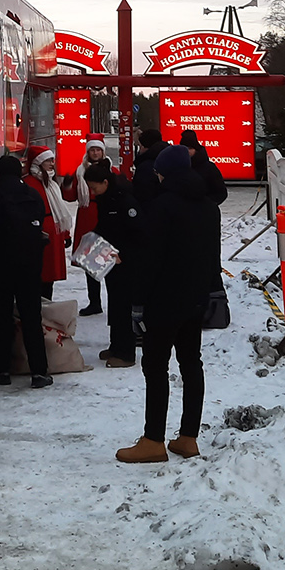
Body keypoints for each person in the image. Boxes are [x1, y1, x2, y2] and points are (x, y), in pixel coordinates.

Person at [116, 144, 220, 463]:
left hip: (163, 301)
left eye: (158, 172)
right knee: (191, 364)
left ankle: (153, 440)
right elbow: (212, 257)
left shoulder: (162, 207)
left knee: (155, 366)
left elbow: (150, 259)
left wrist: (137, 302)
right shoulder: (209, 207)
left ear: (165, 173)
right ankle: (188, 437)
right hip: (195, 299)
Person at [0, 154, 54, 388]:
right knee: (31, 317)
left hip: (0, 266)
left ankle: (2, 369)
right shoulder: (31, 194)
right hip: (30, 265)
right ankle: (39, 371)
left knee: (1, 317)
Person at [84, 158, 141, 367]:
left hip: (124, 260)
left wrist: (123, 254)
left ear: (105, 182)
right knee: (115, 304)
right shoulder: (105, 199)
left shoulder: (124, 200)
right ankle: (116, 345)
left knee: (123, 306)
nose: (92, 192)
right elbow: (105, 225)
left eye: (94, 187)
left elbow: (137, 231)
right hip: (109, 257)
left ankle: (126, 353)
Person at [63, 135, 109, 315]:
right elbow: (70, 197)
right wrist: (67, 186)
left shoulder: (111, 170)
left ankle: (114, 301)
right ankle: (94, 302)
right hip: (87, 217)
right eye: (92, 150)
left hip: (105, 215)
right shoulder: (80, 172)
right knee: (90, 264)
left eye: (98, 150)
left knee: (109, 260)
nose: (95, 153)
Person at [24, 146, 74, 300]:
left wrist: (65, 234)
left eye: (52, 160)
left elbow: (59, 210)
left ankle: (47, 299)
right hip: (41, 232)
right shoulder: (30, 183)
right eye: (48, 161)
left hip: (54, 231)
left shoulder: (51, 183)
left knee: (49, 275)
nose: (52, 163)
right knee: (42, 272)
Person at [179, 129, 229, 206]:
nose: (187, 151)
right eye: (184, 148)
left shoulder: (209, 168)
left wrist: (206, 204)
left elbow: (221, 193)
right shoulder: (178, 167)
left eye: (190, 148)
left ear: (195, 149)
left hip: (203, 209)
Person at [131, 127, 168, 204]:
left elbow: (141, 194)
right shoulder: (168, 159)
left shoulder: (145, 167)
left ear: (145, 147)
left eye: (140, 146)